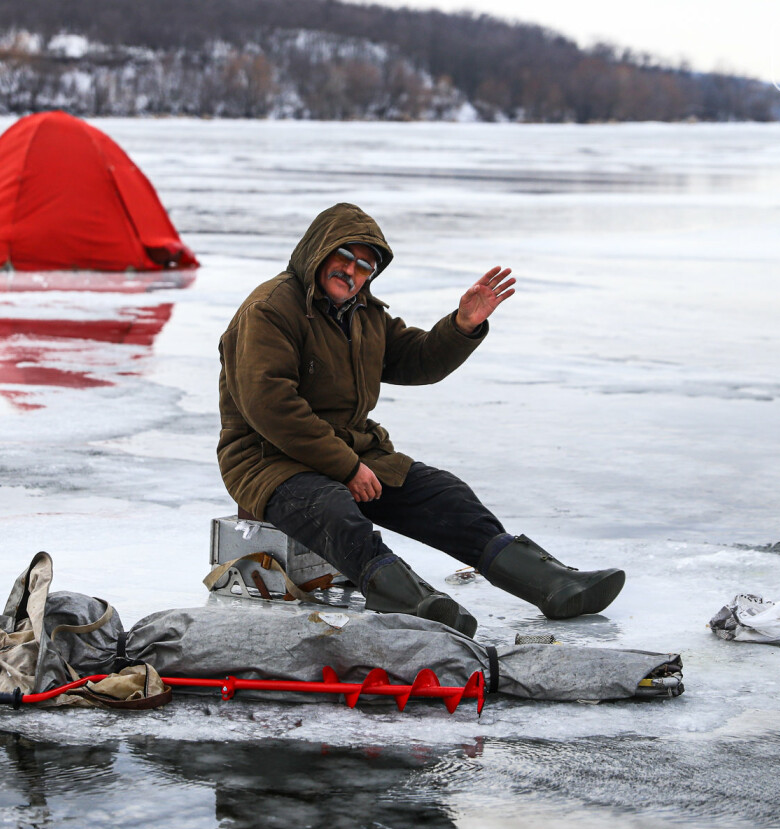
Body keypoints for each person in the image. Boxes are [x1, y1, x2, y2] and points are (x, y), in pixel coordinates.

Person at [216, 203, 623, 636]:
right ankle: (416, 603)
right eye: (345, 257)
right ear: (318, 251)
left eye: (364, 267)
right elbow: (271, 406)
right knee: (336, 512)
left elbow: (416, 360)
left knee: (444, 496)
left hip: (350, 450)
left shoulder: (364, 314)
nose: (352, 272)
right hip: (268, 459)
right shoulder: (269, 309)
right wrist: (346, 467)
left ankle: (553, 584)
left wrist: (462, 326)